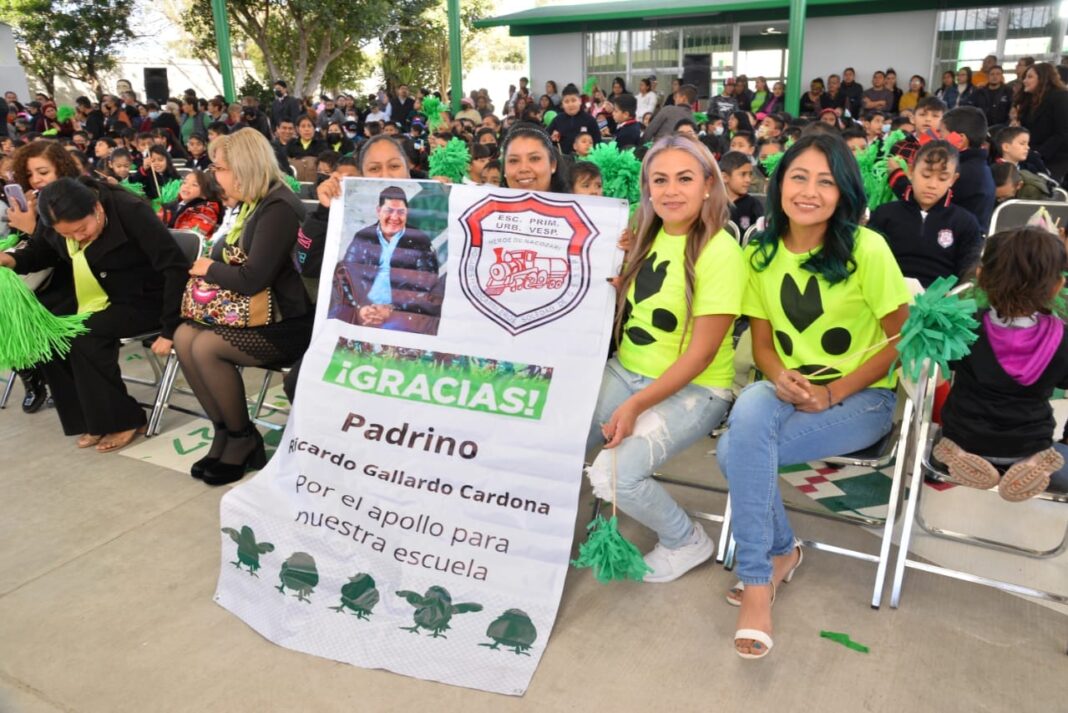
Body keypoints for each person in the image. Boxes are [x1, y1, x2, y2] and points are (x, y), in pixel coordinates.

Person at [717, 133, 909, 660]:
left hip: (862, 398)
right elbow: (761, 342)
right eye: (799, 177)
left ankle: (764, 574)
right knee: (755, 403)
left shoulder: (866, 249)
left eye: (825, 181)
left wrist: (833, 392)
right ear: (779, 185)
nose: (809, 191)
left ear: (843, 191)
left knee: (736, 451)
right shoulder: (760, 252)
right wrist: (779, 376)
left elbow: (901, 338)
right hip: (787, 390)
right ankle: (771, 566)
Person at [585, 134, 743, 583]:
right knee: (558, 438)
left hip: (697, 388)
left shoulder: (721, 252)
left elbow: (701, 354)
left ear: (708, 185)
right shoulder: (642, 235)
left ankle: (686, 539)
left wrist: (634, 406)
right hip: (626, 369)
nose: (671, 190)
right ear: (647, 188)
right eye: (660, 180)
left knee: (613, 477)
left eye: (684, 178)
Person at [0, 177, 187, 450]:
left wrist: (171, 328)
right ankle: (90, 419)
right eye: (67, 235)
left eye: (81, 229)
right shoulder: (56, 222)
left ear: (97, 208)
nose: (77, 238)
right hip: (98, 294)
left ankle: (124, 419)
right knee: (50, 333)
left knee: (84, 335)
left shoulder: (129, 210)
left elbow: (175, 268)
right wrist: (11, 260)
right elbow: (43, 253)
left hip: (146, 299)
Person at [174, 129, 312, 485]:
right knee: (183, 336)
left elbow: (253, 279)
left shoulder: (278, 208)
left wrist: (210, 268)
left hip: (287, 320)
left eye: (218, 168)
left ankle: (242, 437)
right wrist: (218, 261)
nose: (214, 176)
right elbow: (229, 255)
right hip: (256, 312)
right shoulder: (251, 204)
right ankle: (223, 430)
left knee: (205, 347)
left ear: (243, 168)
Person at [934, 227, 1068, 500]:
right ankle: (1031, 462)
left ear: (981, 278)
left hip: (965, 433)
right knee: (1047, 452)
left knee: (949, 437)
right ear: (1057, 287)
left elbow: (939, 366)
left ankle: (956, 452)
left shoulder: (964, 325)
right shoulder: (1064, 338)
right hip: (1030, 440)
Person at [869, 141, 982, 288]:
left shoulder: (965, 222)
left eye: (942, 178)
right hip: (890, 294)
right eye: (926, 175)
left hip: (941, 302)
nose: (932, 185)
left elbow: (969, 272)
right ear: (911, 171)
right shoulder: (884, 214)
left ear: (953, 180)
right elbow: (870, 261)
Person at [940, 107, 996, 233]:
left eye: (941, 135)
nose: (937, 140)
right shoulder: (978, 166)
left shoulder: (962, 173)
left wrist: (897, 177)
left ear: (960, 140)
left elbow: (928, 203)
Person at [1014, 62, 1068, 182]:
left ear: (1043, 78)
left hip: (1057, 160)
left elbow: (1063, 132)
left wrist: (1039, 153)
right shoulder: (1028, 101)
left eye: (1030, 77)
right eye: (1024, 77)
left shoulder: (1062, 97)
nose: (1025, 81)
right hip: (1032, 156)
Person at [502, 123, 570, 193]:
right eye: (514, 160)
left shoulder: (578, 202)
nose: (523, 169)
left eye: (534, 159)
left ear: (553, 164)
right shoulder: (491, 203)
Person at [158, 169, 222, 241]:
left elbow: (189, 237)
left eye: (194, 185)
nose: (187, 186)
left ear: (205, 193)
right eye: (185, 182)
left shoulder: (206, 211)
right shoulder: (171, 206)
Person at [547, 83, 601, 155]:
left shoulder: (590, 120)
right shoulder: (557, 120)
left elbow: (598, 144)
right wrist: (552, 139)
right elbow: (545, 137)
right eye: (566, 101)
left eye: (573, 100)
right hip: (563, 161)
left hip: (585, 161)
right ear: (562, 104)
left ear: (580, 101)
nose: (570, 104)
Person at [720, 150, 763, 233]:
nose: (748, 180)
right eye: (743, 174)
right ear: (725, 177)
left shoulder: (753, 205)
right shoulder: (713, 203)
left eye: (750, 174)